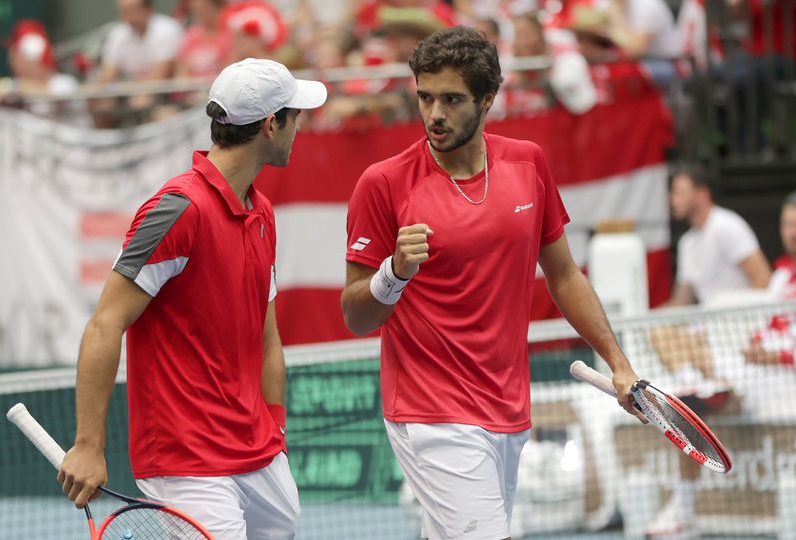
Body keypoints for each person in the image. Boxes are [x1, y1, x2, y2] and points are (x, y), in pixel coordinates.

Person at [340, 26, 643, 540]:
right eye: (425, 97)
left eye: (452, 100)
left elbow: (565, 274)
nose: (434, 114)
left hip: (506, 406)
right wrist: (393, 273)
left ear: (487, 100)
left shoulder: (528, 163)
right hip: (430, 410)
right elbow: (354, 316)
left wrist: (618, 363)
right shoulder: (384, 183)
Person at [57, 58, 327, 539]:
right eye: (294, 114)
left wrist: (276, 427)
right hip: (187, 460)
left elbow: (267, 337)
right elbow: (105, 323)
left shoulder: (260, 210)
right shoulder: (176, 210)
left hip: (259, 450)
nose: (300, 125)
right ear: (271, 126)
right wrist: (87, 444)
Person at [646, 190, 796, 538]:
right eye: (787, 224)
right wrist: (756, 346)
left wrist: (773, 356)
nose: (792, 232)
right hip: (759, 369)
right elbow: (766, 326)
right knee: (667, 343)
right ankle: (703, 391)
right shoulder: (782, 279)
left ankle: (706, 390)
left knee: (690, 406)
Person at [668, 165, 771, 306]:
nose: (674, 200)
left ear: (702, 193)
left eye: (680, 193)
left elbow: (763, 279)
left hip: (740, 322)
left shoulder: (726, 226)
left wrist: (744, 320)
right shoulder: (686, 243)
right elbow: (681, 302)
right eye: (673, 194)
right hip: (708, 323)